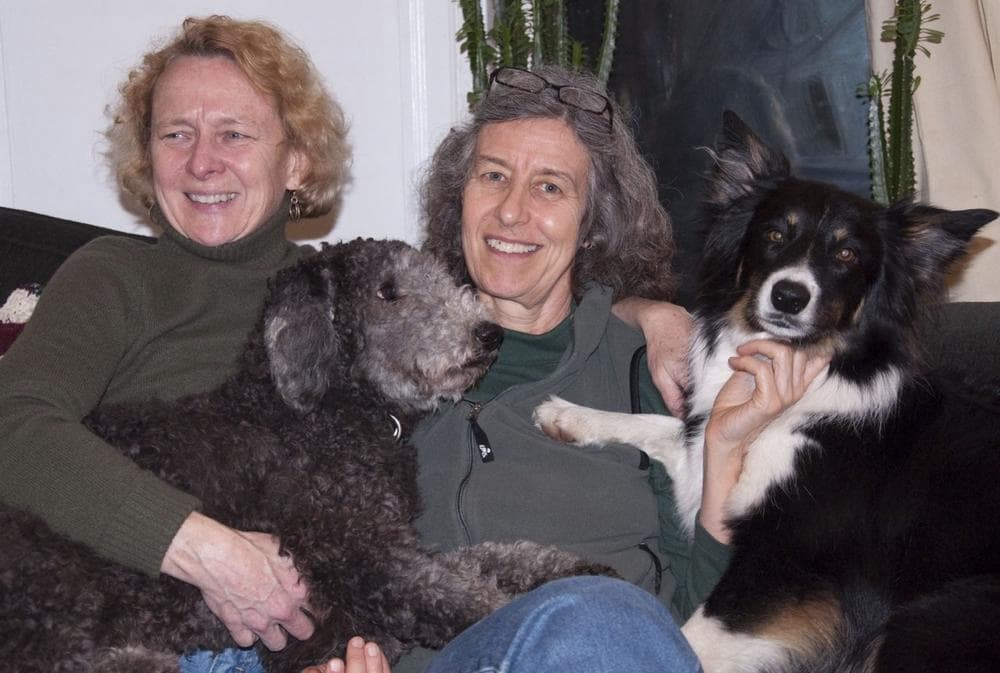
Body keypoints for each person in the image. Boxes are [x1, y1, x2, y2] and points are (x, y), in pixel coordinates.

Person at [307, 65, 829, 673]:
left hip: (614, 648)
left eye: (551, 187)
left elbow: (701, 618)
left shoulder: (650, 371)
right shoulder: (376, 358)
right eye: (493, 176)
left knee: (597, 614)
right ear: (460, 200)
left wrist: (721, 451)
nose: (511, 212)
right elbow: (318, 549)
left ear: (593, 226)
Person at [0, 15, 350, 672]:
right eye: (176, 134)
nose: (201, 161)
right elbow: (10, 420)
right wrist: (205, 550)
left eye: (234, 134)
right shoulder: (114, 275)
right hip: (130, 628)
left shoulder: (349, 297)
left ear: (297, 159)